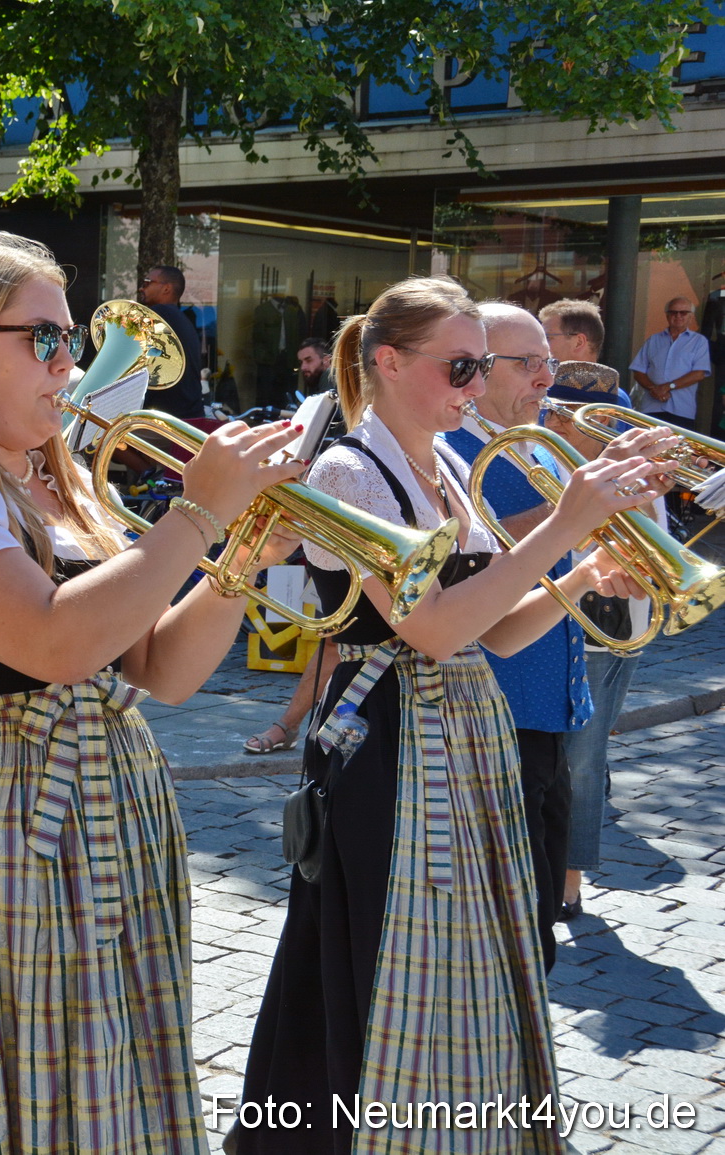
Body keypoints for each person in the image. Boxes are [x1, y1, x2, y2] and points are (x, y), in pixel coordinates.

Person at [0, 231, 306, 1154]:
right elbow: (53, 641)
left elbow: (164, 669)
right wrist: (198, 510)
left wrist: (240, 554)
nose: (69, 364)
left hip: (107, 797)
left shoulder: (61, 485)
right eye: (43, 340)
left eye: (69, 340)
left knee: (111, 1057)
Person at [230, 277, 661, 1154]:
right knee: (379, 944)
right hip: (385, 731)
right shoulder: (350, 467)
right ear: (388, 361)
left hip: (460, 729)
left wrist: (578, 575)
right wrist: (560, 528)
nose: (473, 386)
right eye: (460, 365)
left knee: (465, 941)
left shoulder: (452, 463)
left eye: (478, 365)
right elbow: (428, 629)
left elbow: (494, 632)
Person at [442, 302, 592, 972]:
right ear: (475, 367)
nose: (543, 377)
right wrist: (580, 509)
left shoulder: (539, 444)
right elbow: (490, 549)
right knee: (511, 929)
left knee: (539, 922)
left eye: (548, 362)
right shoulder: (454, 452)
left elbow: (562, 554)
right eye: (526, 363)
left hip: (551, 702)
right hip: (493, 708)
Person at [536, 364, 674, 924]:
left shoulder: (600, 470)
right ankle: (559, 878)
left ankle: (568, 881)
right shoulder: (550, 464)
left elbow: (655, 545)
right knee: (579, 758)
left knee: (583, 759)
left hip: (607, 627)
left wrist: (631, 488)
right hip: (589, 622)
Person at [630, 296, 711, 430]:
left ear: (690, 316)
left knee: (677, 449)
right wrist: (653, 389)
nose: (678, 316)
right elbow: (638, 371)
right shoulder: (653, 340)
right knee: (648, 449)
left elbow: (699, 373)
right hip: (650, 408)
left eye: (683, 312)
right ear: (667, 315)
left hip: (681, 410)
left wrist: (667, 387)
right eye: (673, 312)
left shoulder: (699, 342)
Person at [139, 264, 206, 419]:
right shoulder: (181, 319)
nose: (142, 288)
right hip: (187, 416)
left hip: (165, 421)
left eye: (147, 283)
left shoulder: (159, 315)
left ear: (166, 288)